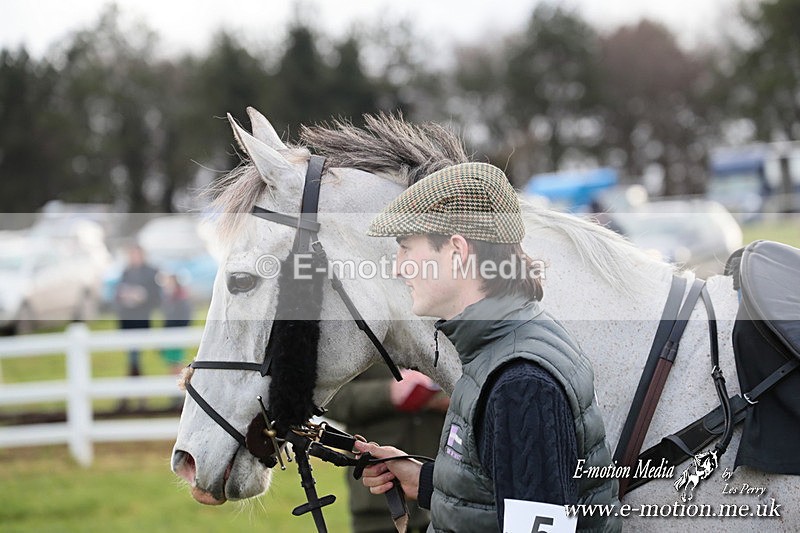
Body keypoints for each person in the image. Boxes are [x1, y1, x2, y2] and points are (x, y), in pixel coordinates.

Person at [354, 162, 620, 532]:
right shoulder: (506, 345)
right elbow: (502, 495)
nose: (398, 268)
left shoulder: (520, 383)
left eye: (405, 248)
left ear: (456, 250)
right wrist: (428, 482)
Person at [325, 366, 448, 533]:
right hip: (377, 502)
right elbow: (328, 398)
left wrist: (448, 398)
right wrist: (387, 392)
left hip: (443, 492)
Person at [115, 244, 160, 378]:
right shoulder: (126, 272)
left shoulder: (151, 272)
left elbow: (156, 296)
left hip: (142, 316)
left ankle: (133, 389)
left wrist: (142, 295)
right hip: (128, 317)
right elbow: (118, 293)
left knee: (138, 353)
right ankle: (134, 387)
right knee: (132, 353)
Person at [160, 273, 192, 374]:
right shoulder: (168, 299)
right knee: (171, 362)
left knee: (177, 361)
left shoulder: (181, 299)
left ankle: (177, 382)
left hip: (177, 333)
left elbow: (185, 317)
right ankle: (173, 383)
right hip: (169, 334)